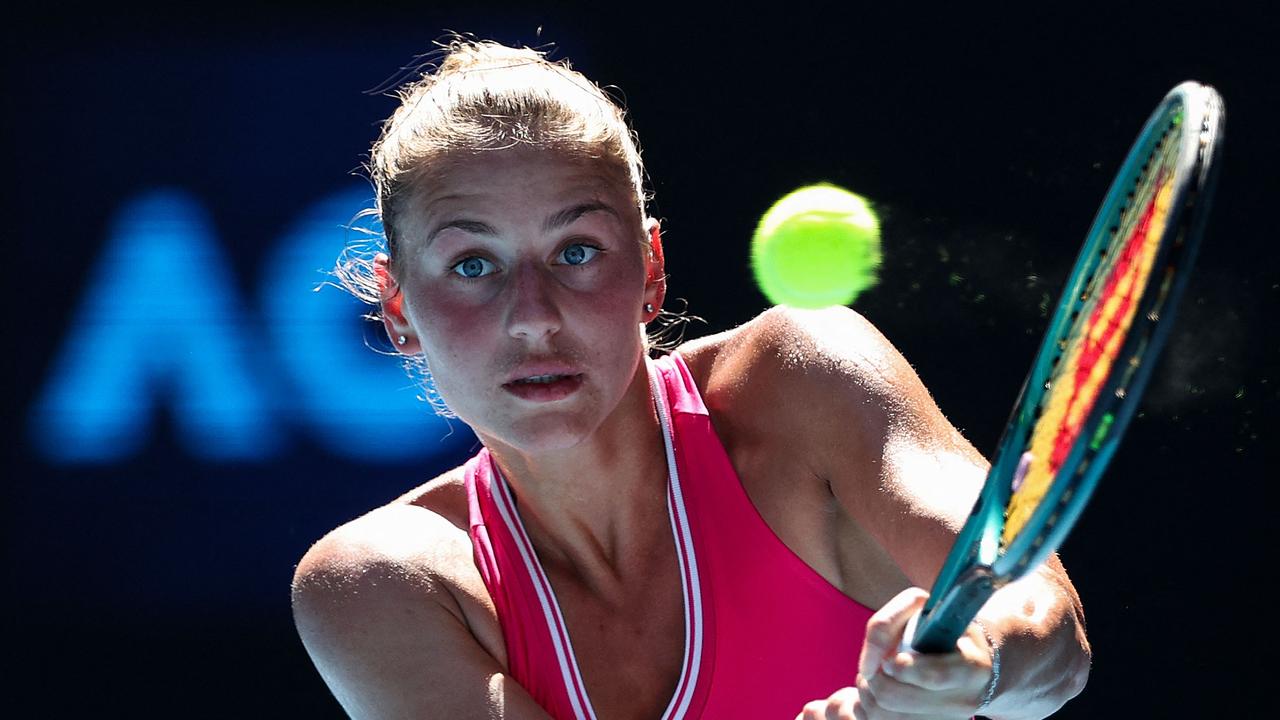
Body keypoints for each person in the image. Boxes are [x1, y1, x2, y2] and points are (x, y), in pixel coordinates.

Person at [290, 38, 1091, 720]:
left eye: (577, 251)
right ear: (398, 308)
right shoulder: (380, 585)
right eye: (473, 265)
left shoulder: (801, 379)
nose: (532, 315)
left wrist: (971, 664)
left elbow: (1048, 637)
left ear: (651, 268)